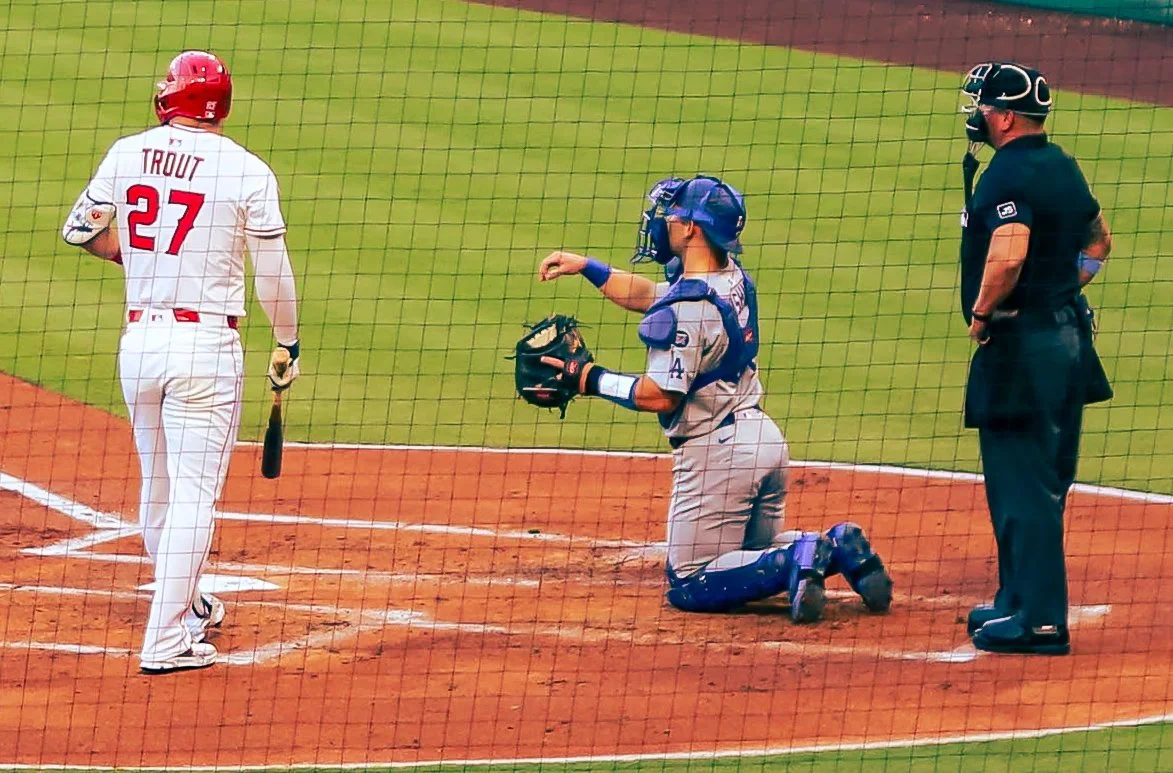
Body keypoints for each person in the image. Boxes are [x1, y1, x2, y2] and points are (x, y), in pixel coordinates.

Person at [537, 175, 892, 622]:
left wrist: (589, 378)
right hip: (761, 440)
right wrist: (588, 267)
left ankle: (796, 558)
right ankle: (839, 546)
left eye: (673, 215)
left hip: (717, 457)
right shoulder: (729, 278)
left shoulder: (687, 308)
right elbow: (651, 294)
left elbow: (660, 395)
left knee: (689, 581)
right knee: (747, 552)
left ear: (692, 229)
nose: (663, 221)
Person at [62, 51, 301, 673]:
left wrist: (141, 263)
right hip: (204, 350)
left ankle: (189, 607)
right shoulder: (248, 170)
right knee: (194, 498)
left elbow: (80, 230)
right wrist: (288, 341)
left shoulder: (127, 152)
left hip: (138, 346)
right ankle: (164, 640)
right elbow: (272, 272)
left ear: (179, 97)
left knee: (160, 488)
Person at [958, 63, 1113, 655]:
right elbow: (1100, 239)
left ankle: (1041, 621)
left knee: (1023, 481)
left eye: (981, 106)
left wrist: (981, 313)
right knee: (1039, 478)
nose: (976, 115)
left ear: (1003, 115)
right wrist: (1067, 289)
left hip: (1022, 349)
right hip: (1068, 343)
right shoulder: (1062, 166)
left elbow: (1009, 253)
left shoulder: (1006, 176)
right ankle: (1015, 600)